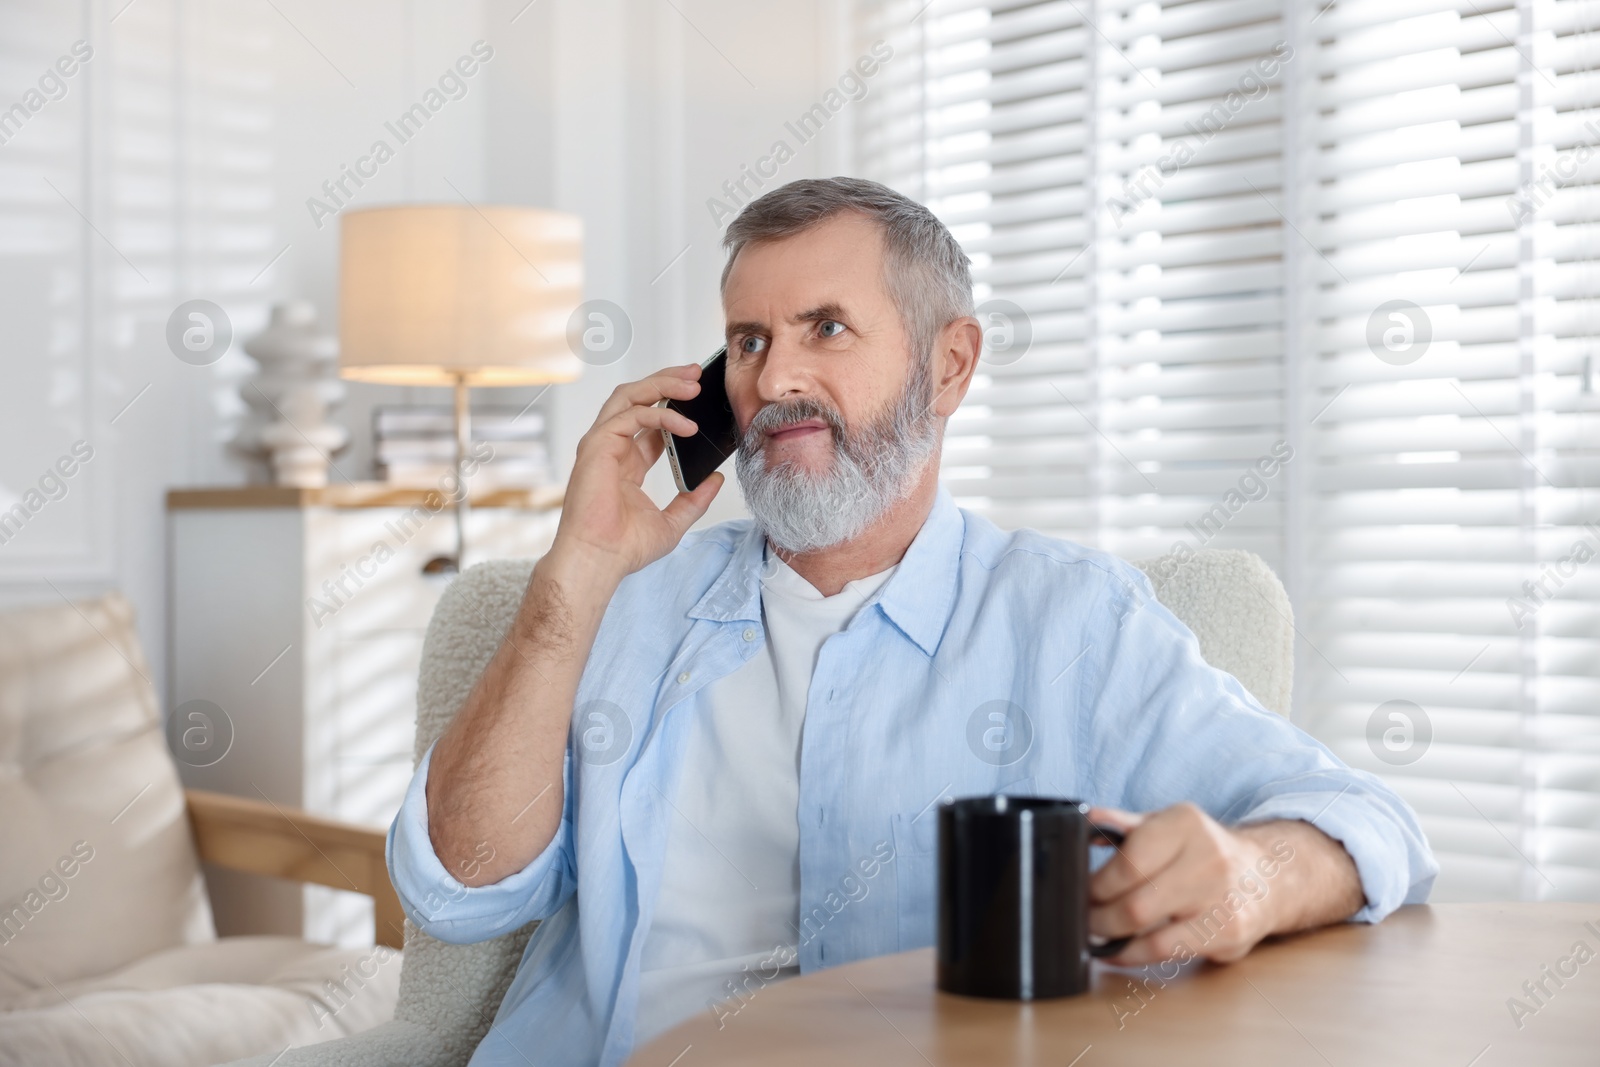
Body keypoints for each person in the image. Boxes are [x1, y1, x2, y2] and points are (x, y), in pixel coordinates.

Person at [387, 177, 1437, 1067]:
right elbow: (459, 890)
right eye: (746, 341)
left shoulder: (1071, 620)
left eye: (825, 328)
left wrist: (1254, 873)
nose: (775, 378)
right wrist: (572, 576)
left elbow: (1367, 822)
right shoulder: (618, 600)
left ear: (949, 364)